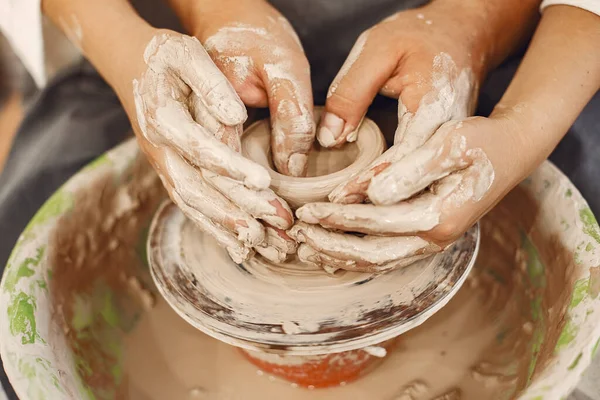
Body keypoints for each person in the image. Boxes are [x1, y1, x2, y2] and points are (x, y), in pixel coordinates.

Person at [0, 0, 599, 397]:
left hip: (442, 52)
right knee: (21, 234)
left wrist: (471, 37)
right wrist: (197, 19)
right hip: (177, 53)